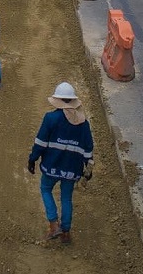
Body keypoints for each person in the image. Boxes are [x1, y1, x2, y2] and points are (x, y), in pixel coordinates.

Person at [27, 82, 94, 244]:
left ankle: (53, 225)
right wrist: (89, 168)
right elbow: (88, 148)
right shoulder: (83, 123)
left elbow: (41, 142)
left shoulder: (51, 118)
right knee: (66, 198)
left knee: (45, 189)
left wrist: (33, 158)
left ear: (57, 101)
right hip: (72, 169)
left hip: (52, 166)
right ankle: (66, 233)